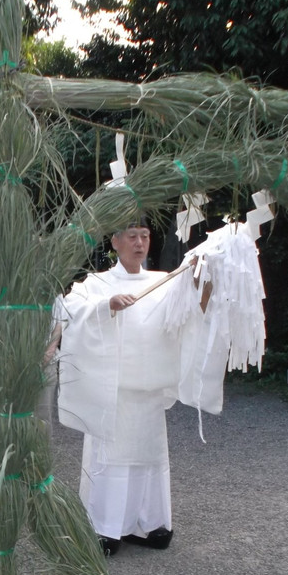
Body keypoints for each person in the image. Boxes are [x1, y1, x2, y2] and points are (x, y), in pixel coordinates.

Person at [58, 223, 184, 555]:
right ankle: (105, 527)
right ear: (115, 242)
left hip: (149, 389)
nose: (140, 242)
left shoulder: (162, 281)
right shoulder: (97, 283)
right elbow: (70, 310)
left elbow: (186, 312)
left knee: (149, 457)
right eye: (132, 236)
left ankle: (148, 523)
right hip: (112, 392)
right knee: (110, 460)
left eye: (144, 235)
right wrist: (105, 306)